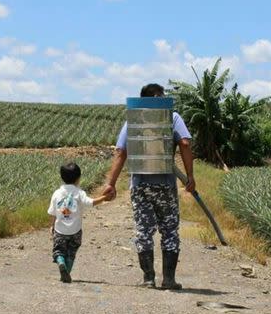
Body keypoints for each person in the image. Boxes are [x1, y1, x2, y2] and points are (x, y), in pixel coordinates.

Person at [103, 83, 195, 290]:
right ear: (161, 98)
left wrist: (111, 183)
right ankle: (169, 279)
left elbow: (120, 152)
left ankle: (148, 278)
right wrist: (189, 176)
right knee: (169, 231)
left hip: (140, 186)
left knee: (144, 231)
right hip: (165, 186)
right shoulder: (173, 117)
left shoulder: (133, 120)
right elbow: (186, 144)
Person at [48, 162, 110, 283]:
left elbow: (53, 213)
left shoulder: (56, 193)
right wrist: (104, 197)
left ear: (62, 177)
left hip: (60, 230)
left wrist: (52, 226)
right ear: (78, 178)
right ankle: (67, 272)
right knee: (71, 253)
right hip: (75, 231)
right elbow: (91, 202)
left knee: (58, 251)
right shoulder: (79, 193)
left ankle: (60, 262)